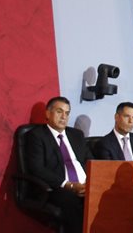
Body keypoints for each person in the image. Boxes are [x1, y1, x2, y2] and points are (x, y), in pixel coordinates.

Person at [22, 96, 90, 232]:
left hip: (85, 184)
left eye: (67, 113)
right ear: (48, 113)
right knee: (72, 201)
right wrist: (69, 185)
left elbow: (90, 161)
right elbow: (37, 168)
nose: (64, 116)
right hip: (57, 187)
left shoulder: (76, 135)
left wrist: (90, 184)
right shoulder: (36, 135)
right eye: (59, 111)